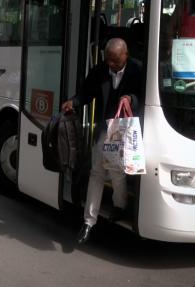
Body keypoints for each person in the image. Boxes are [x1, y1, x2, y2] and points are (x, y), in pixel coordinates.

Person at [61, 38, 142, 244]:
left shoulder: (138, 69)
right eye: (108, 60)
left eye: (115, 61)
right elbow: (86, 92)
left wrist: (130, 98)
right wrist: (74, 102)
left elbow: (144, 95)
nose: (110, 65)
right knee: (97, 172)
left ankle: (119, 206)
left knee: (117, 172)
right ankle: (89, 221)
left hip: (126, 129)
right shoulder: (101, 69)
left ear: (125, 55)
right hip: (106, 129)